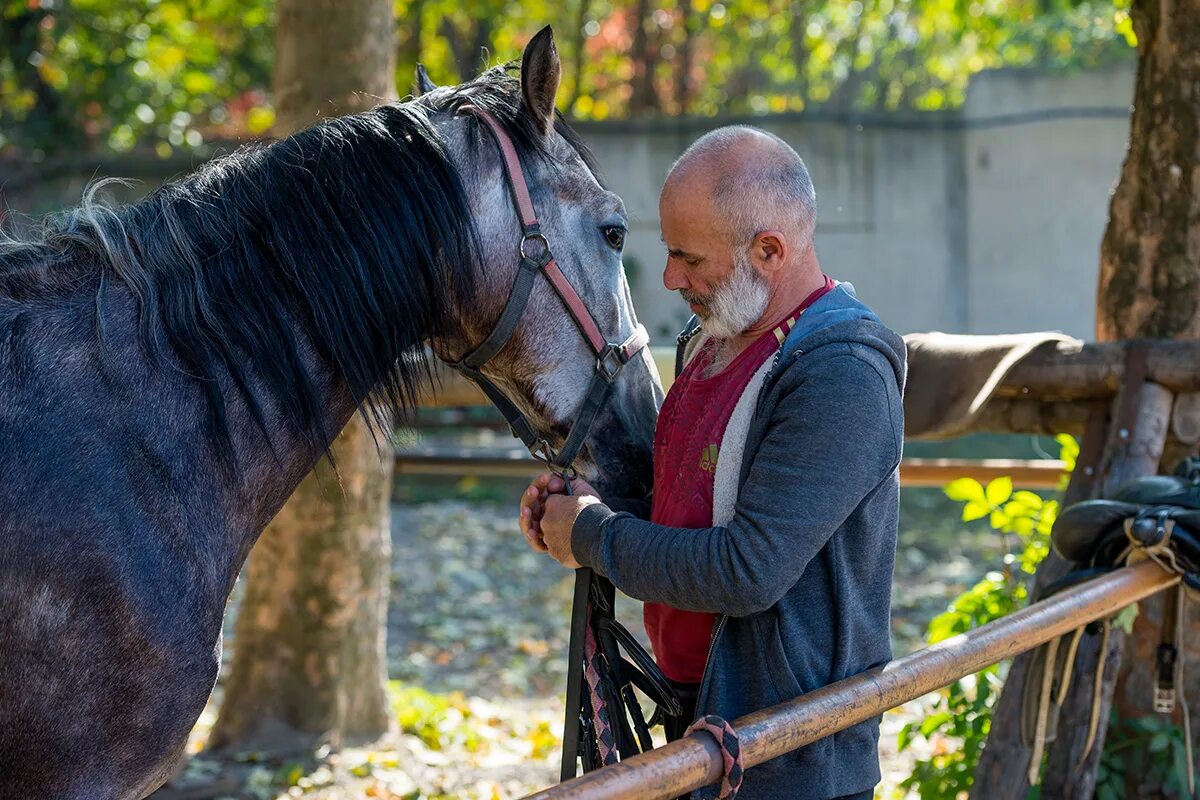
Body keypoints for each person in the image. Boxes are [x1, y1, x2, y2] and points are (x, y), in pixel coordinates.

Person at [518, 125, 906, 800]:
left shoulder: (842, 372)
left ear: (769, 250)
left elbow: (746, 569)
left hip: (790, 765)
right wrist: (590, 509)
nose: (670, 279)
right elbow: (689, 518)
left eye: (688, 258)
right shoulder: (710, 342)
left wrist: (592, 536)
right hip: (701, 733)